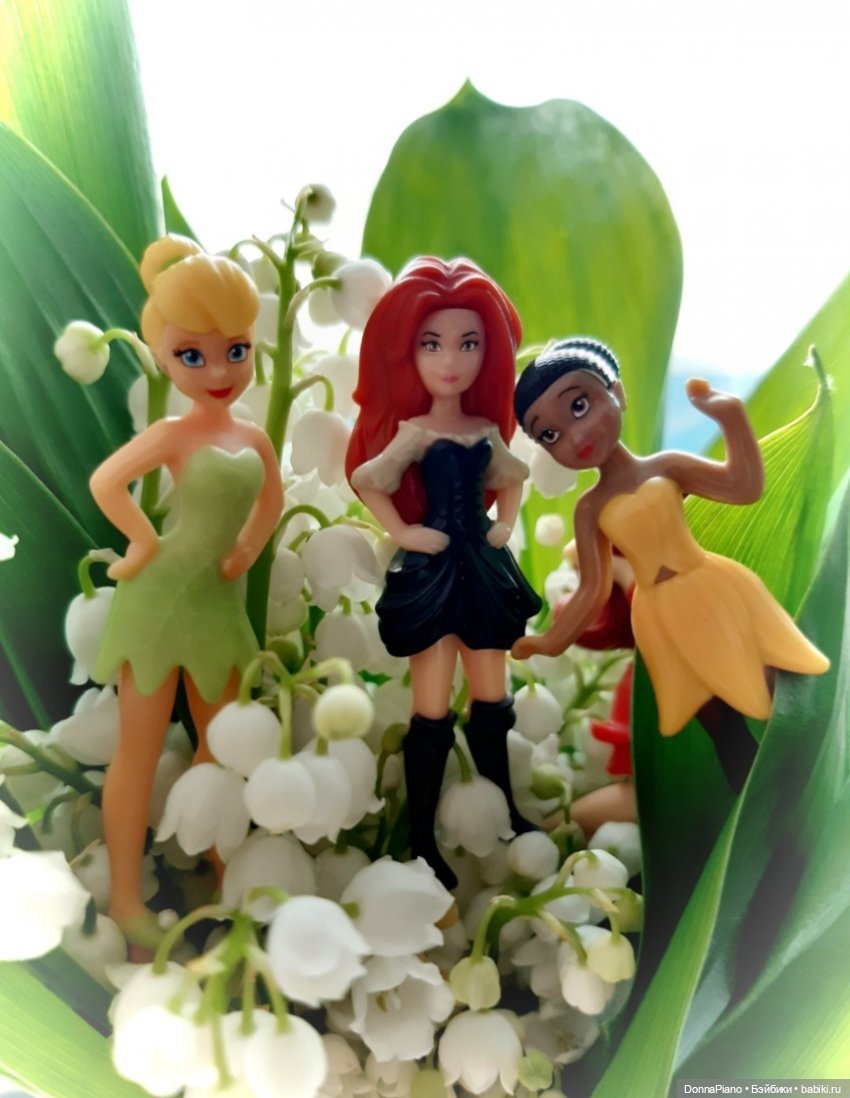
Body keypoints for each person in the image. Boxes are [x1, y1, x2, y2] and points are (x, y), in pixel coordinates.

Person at [512, 337, 829, 791]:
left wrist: (730, 416)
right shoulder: (590, 508)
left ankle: (812, 783)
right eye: (549, 434)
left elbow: (743, 485)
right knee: (717, 721)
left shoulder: (667, 467)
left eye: (579, 405)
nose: (575, 436)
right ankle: (761, 802)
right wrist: (548, 641)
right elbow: (592, 590)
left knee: (772, 685)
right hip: (659, 617)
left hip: (710, 586)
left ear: (616, 393)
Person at [90, 235, 284, 945]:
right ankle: (125, 899)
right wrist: (143, 541)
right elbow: (107, 482)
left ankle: (226, 885)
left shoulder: (253, 440)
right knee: (137, 752)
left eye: (236, 350)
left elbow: (272, 501)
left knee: (223, 751)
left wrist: (249, 548)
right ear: (163, 356)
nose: (219, 370)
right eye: (192, 355)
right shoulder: (174, 433)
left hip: (218, 606)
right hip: (158, 599)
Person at [345, 257, 541, 887]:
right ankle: (424, 837)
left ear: (489, 352)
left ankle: (505, 806)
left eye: (468, 343)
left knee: (491, 697)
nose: (451, 360)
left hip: (482, 565)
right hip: (433, 571)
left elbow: (513, 475)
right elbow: (368, 479)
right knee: (430, 709)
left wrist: (505, 522)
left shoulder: (484, 428)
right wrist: (403, 533)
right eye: (432, 344)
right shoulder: (415, 432)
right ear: (409, 352)